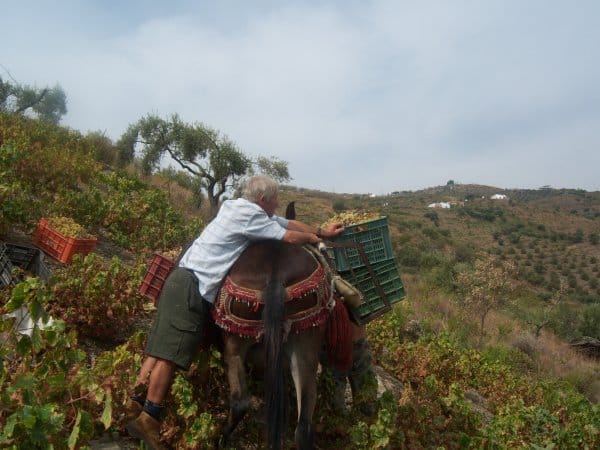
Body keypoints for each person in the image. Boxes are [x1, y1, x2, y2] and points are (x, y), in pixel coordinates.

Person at [125, 175, 345, 450]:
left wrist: (321, 231)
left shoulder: (241, 208)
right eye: (275, 199)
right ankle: (150, 417)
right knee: (171, 354)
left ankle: (134, 403)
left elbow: (288, 223)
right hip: (192, 286)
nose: (277, 204)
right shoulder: (251, 217)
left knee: (158, 348)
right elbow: (289, 235)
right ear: (264, 200)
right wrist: (314, 239)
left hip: (180, 279)